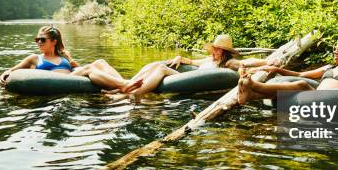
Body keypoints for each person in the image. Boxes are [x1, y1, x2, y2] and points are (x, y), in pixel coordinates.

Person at [105, 34, 277, 100]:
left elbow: (247, 62)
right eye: (214, 49)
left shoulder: (228, 63)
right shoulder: (209, 60)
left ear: (225, 52)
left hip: (194, 80)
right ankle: (125, 87)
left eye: (218, 50)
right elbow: (193, 63)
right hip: (186, 76)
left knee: (161, 69)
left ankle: (131, 94)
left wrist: (266, 63)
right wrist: (181, 57)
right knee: (157, 64)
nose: (215, 52)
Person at [236, 36, 338, 104]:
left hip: (330, 100)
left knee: (302, 85)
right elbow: (300, 74)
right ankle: (251, 95)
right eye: (335, 49)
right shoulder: (329, 68)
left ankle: (254, 86)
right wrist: (276, 69)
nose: (336, 52)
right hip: (315, 97)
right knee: (294, 87)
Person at [0, 25, 142, 93]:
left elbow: (78, 70)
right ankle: (123, 85)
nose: (39, 42)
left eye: (42, 39)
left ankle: (122, 86)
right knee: (90, 67)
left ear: (54, 41)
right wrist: (4, 74)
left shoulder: (63, 56)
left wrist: (71, 61)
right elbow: (12, 70)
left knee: (100, 62)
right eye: (37, 40)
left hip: (72, 79)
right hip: (54, 81)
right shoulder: (34, 58)